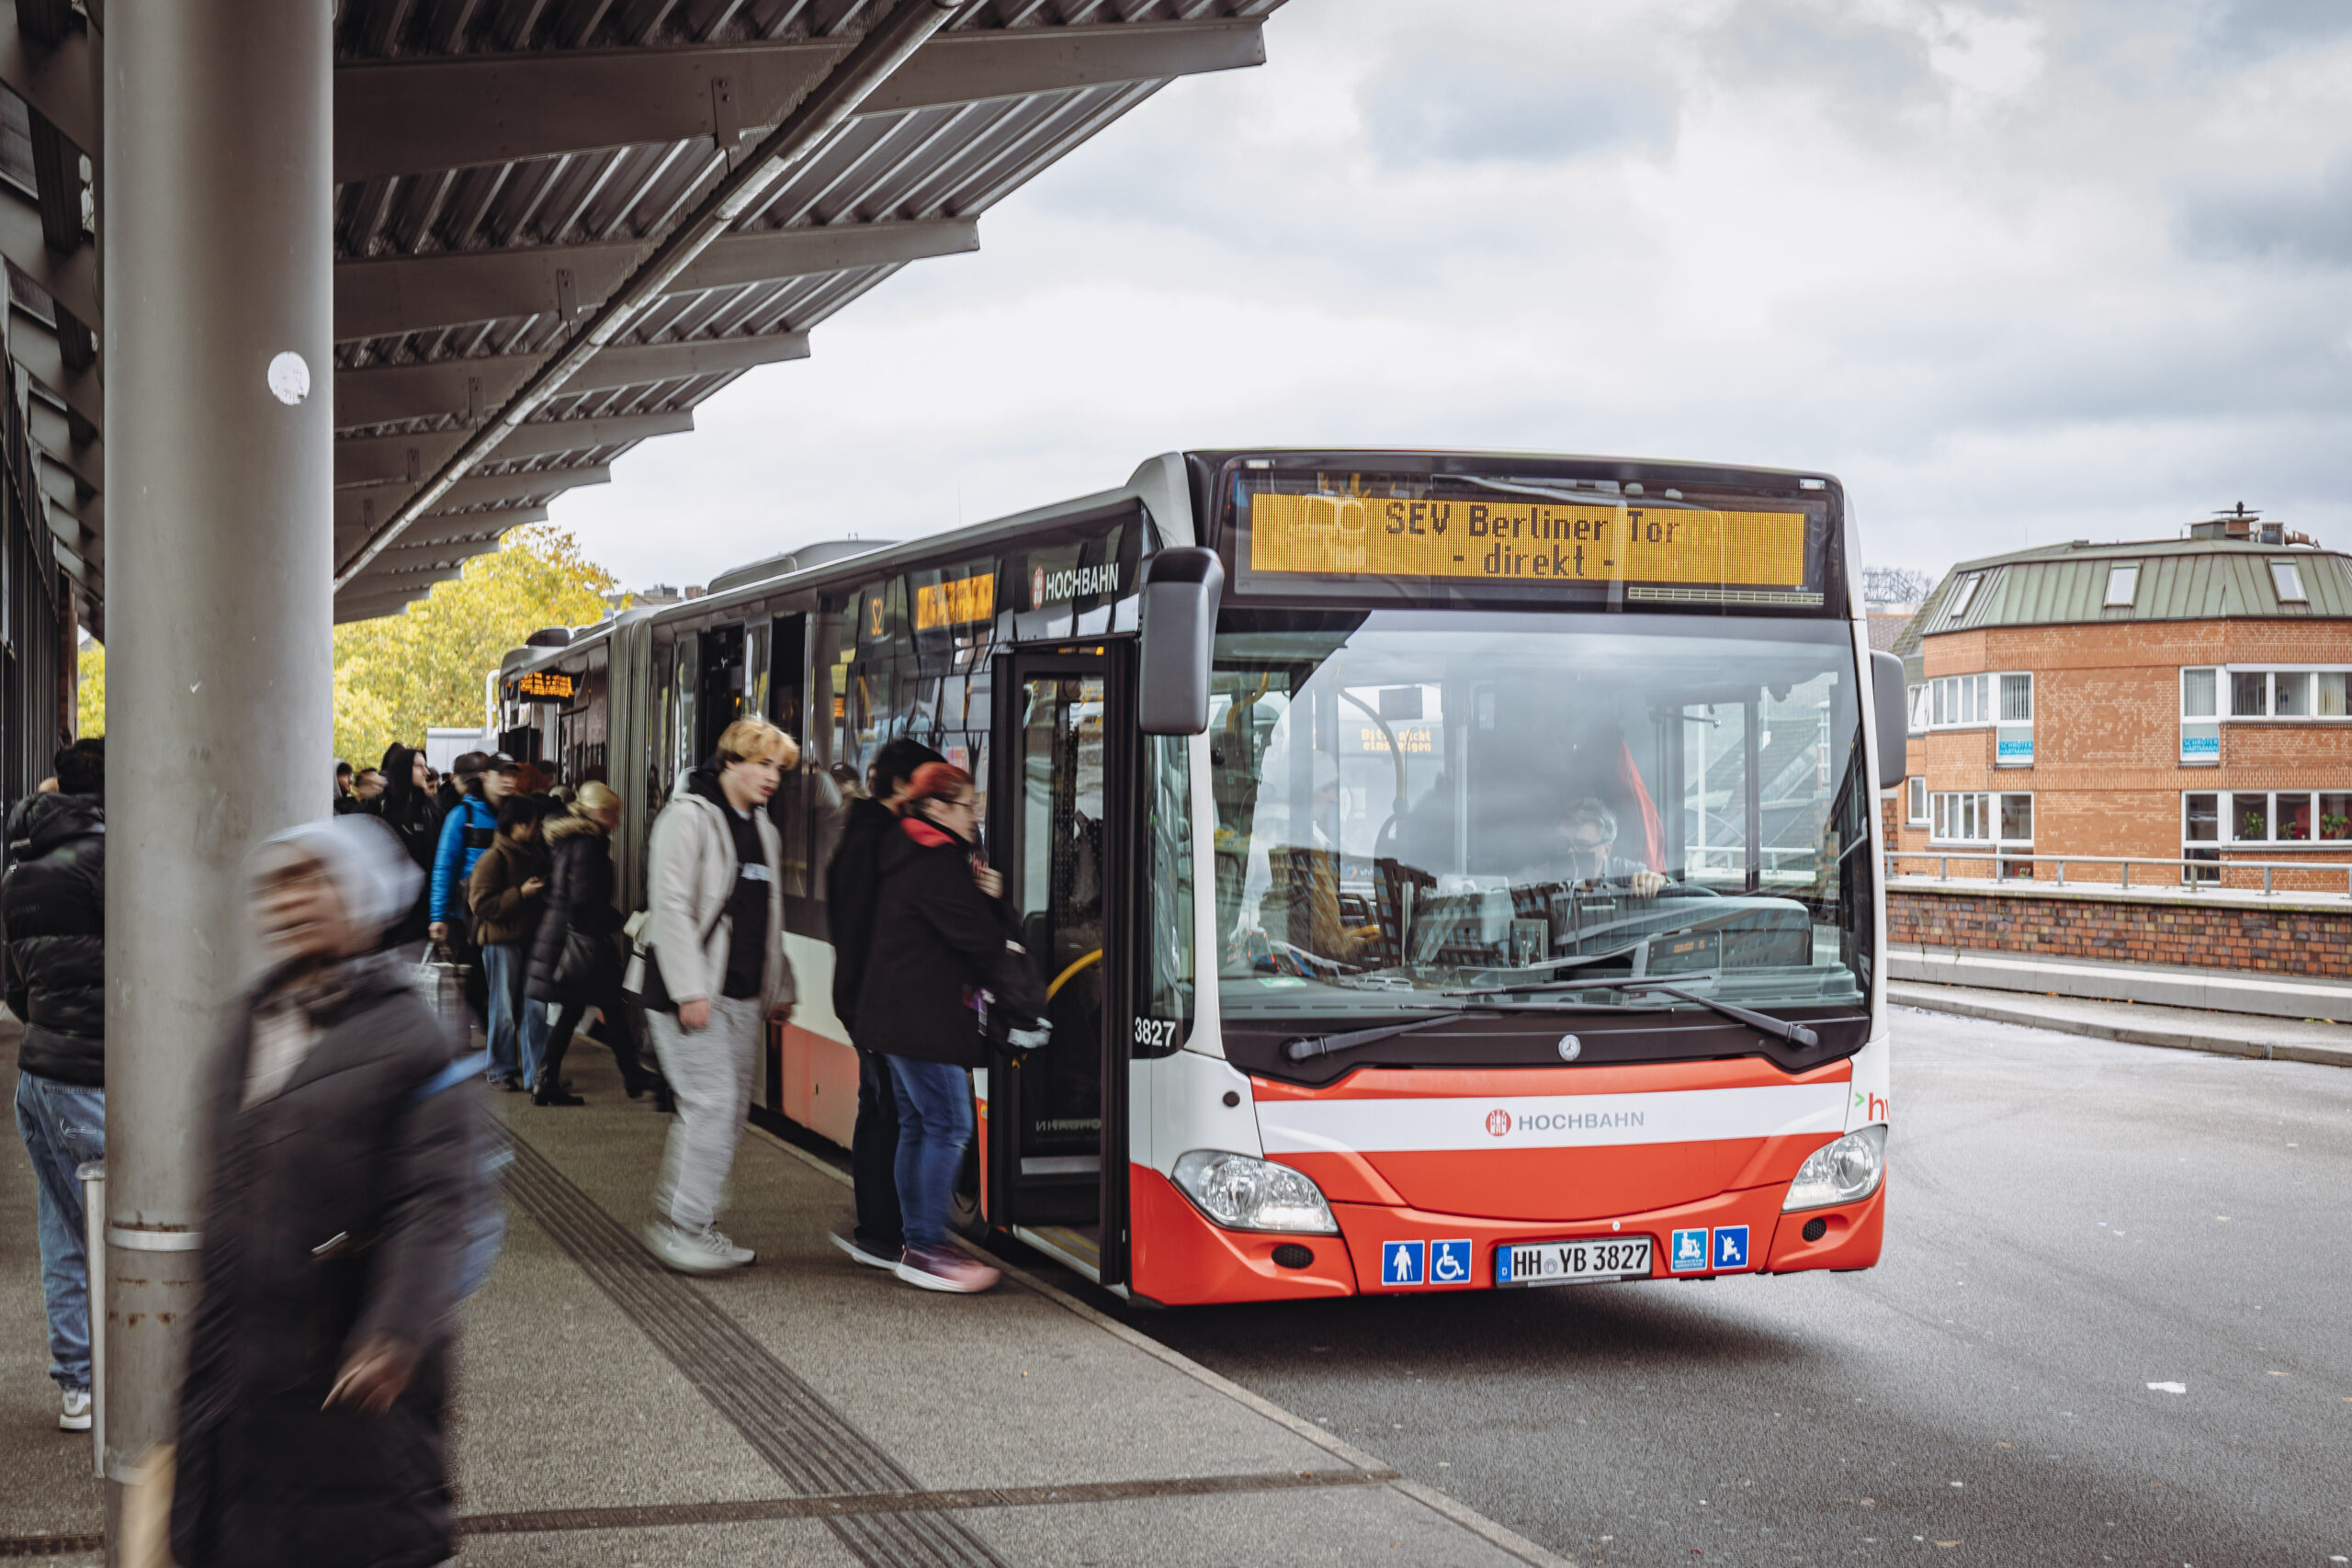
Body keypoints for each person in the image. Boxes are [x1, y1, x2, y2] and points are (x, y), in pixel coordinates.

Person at [170, 815, 473, 1568]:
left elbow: (435, 1199)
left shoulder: (412, 1036)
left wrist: (396, 1326)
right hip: (242, 1347)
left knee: (347, 1533)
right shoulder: (252, 1016)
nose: (292, 900)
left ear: (362, 898)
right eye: (278, 883)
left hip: (346, 1354)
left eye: (316, 880)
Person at [639, 717, 797, 1274]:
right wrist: (688, 989)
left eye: (778, 768)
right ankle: (681, 1227)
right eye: (763, 764)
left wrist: (782, 985)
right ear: (731, 760)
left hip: (742, 995)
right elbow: (673, 906)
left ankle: (697, 1224)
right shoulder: (687, 818)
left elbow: (766, 917)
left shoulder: (764, 828)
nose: (772, 777)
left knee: (727, 1114)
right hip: (691, 991)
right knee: (710, 1106)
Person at [854, 761, 1014, 1294]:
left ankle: (916, 1241)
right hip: (924, 1021)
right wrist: (992, 901)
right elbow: (978, 940)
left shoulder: (903, 849)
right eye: (969, 805)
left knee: (918, 1126)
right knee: (949, 1127)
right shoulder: (937, 861)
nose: (976, 816)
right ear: (940, 808)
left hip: (894, 1018)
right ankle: (927, 1248)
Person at [3, 739, 106, 1431]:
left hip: (38, 1076)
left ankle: (78, 1384)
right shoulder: (111, 861)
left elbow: (13, 986)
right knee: (114, 1230)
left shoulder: (17, 874)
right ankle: (134, 1373)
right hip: (90, 1077)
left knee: (63, 1230)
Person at [822, 739, 943, 1269]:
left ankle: (880, 1226)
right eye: (925, 783)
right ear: (899, 786)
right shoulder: (881, 841)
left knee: (881, 1106)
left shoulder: (863, 831)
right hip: (876, 1001)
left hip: (864, 997)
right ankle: (885, 1229)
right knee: (892, 1110)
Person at [525, 782, 650, 1106]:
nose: (618, 823)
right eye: (613, 815)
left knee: (575, 1011)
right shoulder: (588, 843)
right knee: (607, 1006)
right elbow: (583, 899)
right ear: (599, 812)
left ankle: (548, 1079)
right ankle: (630, 1074)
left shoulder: (569, 839)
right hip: (585, 943)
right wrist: (616, 920)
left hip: (569, 939)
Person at [428, 751, 514, 1052]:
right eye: (502, 774)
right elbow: (444, 867)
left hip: (501, 914)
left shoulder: (512, 815)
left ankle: (492, 1045)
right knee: (473, 982)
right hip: (464, 917)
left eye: (512, 775)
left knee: (488, 985)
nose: (508, 781)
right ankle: (480, 1044)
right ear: (486, 778)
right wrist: (438, 916)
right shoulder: (461, 816)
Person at [468, 795, 552, 1095]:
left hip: (531, 942)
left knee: (535, 1009)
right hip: (501, 945)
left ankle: (537, 1075)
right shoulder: (493, 859)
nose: (537, 828)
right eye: (533, 824)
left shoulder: (535, 854)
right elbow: (481, 905)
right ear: (518, 826)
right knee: (503, 1009)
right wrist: (522, 894)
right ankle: (500, 1070)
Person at [1519, 796, 1668, 896]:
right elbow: (1509, 889)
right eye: (1563, 843)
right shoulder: (1544, 876)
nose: (1570, 851)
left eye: (1582, 845)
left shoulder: (1624, 872)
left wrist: (1656, 882)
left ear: (1606, 850)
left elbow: (1662, 885)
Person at [376, 743, 442, 956]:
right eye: (418, 766)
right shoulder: (385, 812)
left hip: (426, 911)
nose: (426, 771)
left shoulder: (430, 809)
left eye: (425, 765)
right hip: (397, 916)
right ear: (404, 770)